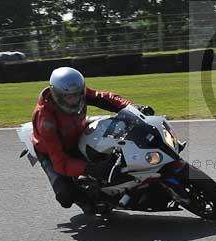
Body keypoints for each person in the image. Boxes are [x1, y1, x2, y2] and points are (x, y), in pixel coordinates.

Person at [31, 66, 154, 214]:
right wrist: (90, 169)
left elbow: (103, 98)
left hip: (77, 132)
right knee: (65, 196)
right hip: (51, 151)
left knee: (114, 139)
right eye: (68, 97)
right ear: (57, 95)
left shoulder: (78, 93)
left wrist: (132, 108)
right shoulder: (46, 121)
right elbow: (61, 162)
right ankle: (87, 199)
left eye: (77, 95)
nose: (74, 100)